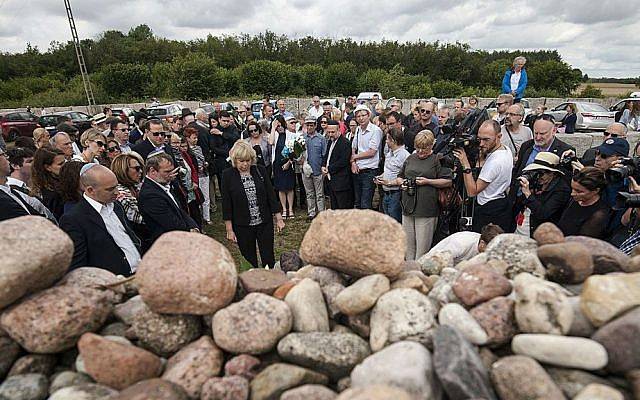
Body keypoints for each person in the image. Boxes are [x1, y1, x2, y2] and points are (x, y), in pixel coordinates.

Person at [60, 164, 141, 276]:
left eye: (116, 186)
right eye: (110, 189)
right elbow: (78, 268)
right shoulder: (73, 219)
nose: (117, 192)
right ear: (90, 190)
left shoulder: (116, 206)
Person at [222, 141, 284, 269]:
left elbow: (271, 195)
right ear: (235, 160)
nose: (245, 164)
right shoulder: (227, 175)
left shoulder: (260, 171)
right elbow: (226, 204)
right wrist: (229, 229)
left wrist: (279, 218)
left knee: (268, 257)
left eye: (248, 160)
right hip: (242, 225)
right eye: (241, 161)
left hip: (264, 222)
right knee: (249, 260)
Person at [395, 130, 453, 260]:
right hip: (408, 207)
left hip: (426, 209)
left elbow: (448, 181)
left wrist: (428, 181)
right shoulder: (411, 157)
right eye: (418, 147)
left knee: (422, 251)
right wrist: (402, 183)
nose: (420, 151)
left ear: (431, 145)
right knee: (408, 249)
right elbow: (399, 176)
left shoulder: (437, 159)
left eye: (424, 148)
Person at [454, 120, 513, 232]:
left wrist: (465, 163)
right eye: (479, 139)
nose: (481, 144)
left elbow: (472, 191)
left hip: (488, 210)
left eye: (486, 140)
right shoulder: (506, 150)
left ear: (499, 136)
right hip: (500, 203)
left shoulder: (495, 162)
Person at [138, 153, 199, 244]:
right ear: (152, 171)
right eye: (167, 172)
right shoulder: (150, 195)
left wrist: (194, 227)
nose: (171, 175)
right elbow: (171, 224)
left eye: (172, 171)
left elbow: (180, 211)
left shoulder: (164, 185)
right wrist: (191, 233)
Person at [515, 152, 571, 236]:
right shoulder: (537, 183)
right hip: (521, 228)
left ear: (553, 173)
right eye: (536, 171)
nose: (538, 176)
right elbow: (520, 203)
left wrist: (528, 194)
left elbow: (543, 214)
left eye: (541, 173)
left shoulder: (561, 190)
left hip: (538, 234)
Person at [0, 147, 53, 221]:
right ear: (15, 166)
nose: (34, 165)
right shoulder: (6, 194)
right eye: (30, 161)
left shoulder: (10, 189)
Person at [557, 167, 609, 239]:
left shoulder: (599, 215)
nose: (572, 193)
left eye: (579, 191)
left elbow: (582, 242)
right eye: (572, 189)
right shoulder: (576, 199)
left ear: (596, 191)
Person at [111, 152, 149, 250]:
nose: (140, 171)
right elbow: (146, 219)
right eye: (136, 168)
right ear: (123, 170)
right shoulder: (121, 195)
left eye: (141, 167)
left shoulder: (135, 187)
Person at [351, 104, 383, 209]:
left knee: (366, 203)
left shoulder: (376, 130)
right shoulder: (358, 130)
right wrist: (353, 163)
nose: (361, 118)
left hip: (370, 171)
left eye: (363, 115)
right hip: (358, 169)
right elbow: (353, 147)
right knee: (358, 202)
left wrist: (355, 157)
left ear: (368, 115)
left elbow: (372, 152)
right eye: (358, 116)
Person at [374, 127, 410, 223]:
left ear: (393, 141)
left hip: (396, 195)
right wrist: (381, 177)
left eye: (387, 139)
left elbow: (406, 177)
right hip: (386, 194)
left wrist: (390, 182)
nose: (386, 141)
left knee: (395, 223)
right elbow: (389, 170)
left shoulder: (405, 156)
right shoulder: (389, 154)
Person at [427, 223, 504, 265]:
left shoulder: (486, 246)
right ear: (482, 243)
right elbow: (440, 261)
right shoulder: (461, 244)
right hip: (434, 262)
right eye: (492, 248)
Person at [322, 120, 353, 209]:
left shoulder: (345, 143)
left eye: (333, 132)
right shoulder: (330, 141)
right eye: (329, 132)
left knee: (342, 208)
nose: (330, 134)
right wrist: (323, 166)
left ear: (339, 130)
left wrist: (329, 169)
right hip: (331, 181)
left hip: (341, 182)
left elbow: (343, 161)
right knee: (334, 207)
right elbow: (327, 155)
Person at [270, 115, 297, 218]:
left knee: (289, 187)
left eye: (279, 125)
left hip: (288, 163)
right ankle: (284, 209)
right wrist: (273, 128)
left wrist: (289, 163)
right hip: (277, 164)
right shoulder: (275, 134)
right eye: (277, 125)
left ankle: (290, 209)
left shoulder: (290, 134)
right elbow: (271, 142)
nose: (278, 127)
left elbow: (295, 150)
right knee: (280, 188)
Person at [301, 116, 327, 221]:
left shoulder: (321, 138)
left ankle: (321, 213)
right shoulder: (302, 138)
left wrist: (323, 167)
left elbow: (324, 154)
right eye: (308, 125)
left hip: (317, 170)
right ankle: (311, 212)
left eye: (312, 125)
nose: (310, 127)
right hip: (306, 171)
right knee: (309, 193)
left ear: (315, 125)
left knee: (320, 194)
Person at [185, 127, 211, 225]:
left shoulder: (199, 148)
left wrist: (205, 164)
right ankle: (200, 216)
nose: (196, 139)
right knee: (198, 197)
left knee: (206, 196)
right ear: (187, 138)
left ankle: (207, 217)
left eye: (196, 138)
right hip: (195, 177)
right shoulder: (187, 151)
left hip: (204, 174)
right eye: (194, 138)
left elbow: (203, 159)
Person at [31, 147, 66, 219]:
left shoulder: (61, 181)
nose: (65, 166)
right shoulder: (51, 193)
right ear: (48, 167)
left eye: (64, 162)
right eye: (60, 164)